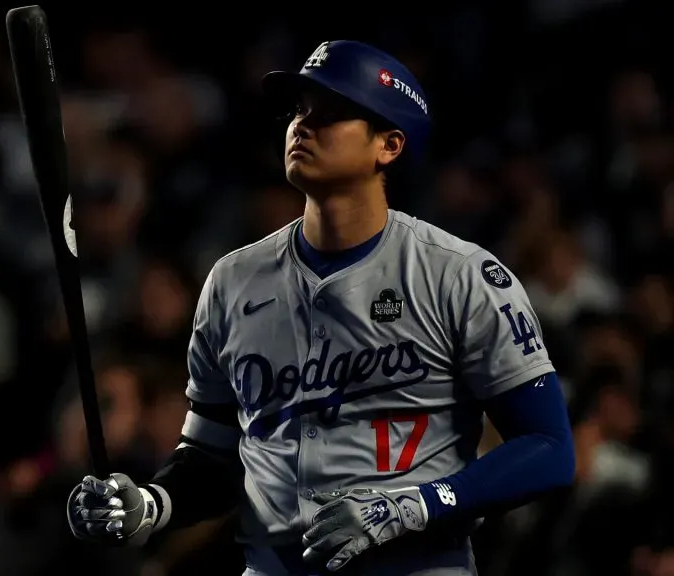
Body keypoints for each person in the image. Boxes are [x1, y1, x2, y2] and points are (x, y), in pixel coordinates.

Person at [67, 40, 576, 575]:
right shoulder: (231, 281)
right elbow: (212, 456)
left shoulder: (460, 275)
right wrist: (150, 503)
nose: (302, 125)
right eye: (299, 110)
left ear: (389, 145)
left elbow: (548, 448)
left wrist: (419, 505)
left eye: (330, 113)